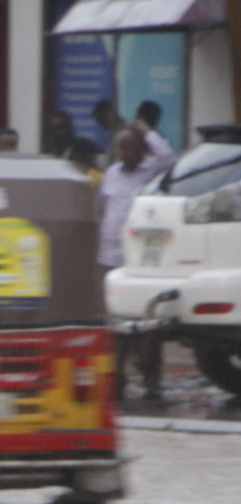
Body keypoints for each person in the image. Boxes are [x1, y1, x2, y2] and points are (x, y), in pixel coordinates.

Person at [98, 127, 171, 398]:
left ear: (141, 150)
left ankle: (151, 378)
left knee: (146, 322)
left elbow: (168, 157)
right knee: (114, 324)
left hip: (139, 263)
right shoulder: (111, 174)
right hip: (110, 259)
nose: (123, 153)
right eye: (121, 147)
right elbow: (101, 211)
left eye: (129, 147)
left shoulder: (152, 171)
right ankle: (116, 380)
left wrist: (147, 131)